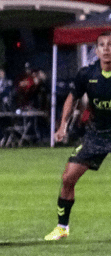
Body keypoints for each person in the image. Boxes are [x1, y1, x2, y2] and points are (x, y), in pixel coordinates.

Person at [44, 29, 111, 241]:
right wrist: (63, 125)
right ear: (97, 50)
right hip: (97, 134)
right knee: (68, 178)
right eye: (102, 45)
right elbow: (72, 98)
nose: (107, 49)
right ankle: (62, 228)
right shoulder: (87, 74)